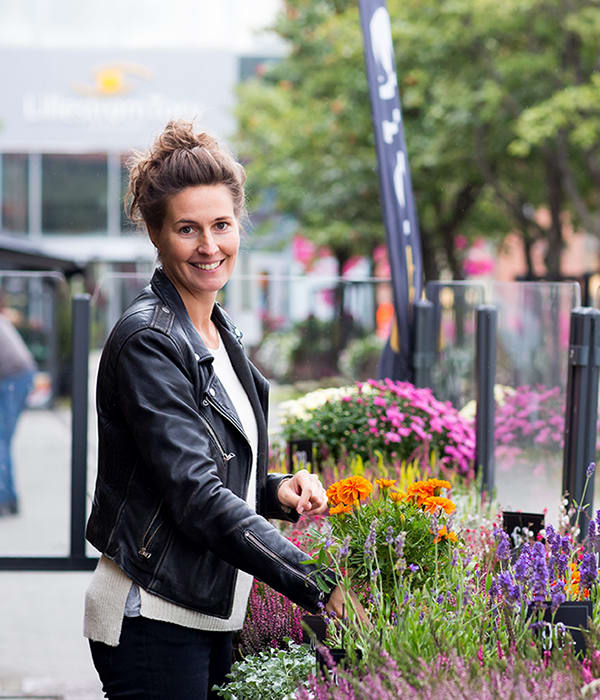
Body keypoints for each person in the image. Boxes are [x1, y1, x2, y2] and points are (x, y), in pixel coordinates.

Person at [84, 120, 357, 700]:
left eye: (221, 226)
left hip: (206, 613)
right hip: (153, 614)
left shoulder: (215, 329)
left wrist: (275, 489)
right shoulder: (149, 342)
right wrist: (316, 582)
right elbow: (194, 495)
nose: (210, 246)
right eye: (188, 229)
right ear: (157, 236)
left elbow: (209, 474)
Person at [0, 303, 36, 516]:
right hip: (15, 375)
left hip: (13, 376)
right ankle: (8, 498)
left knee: (1, 438)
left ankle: (4, 500)